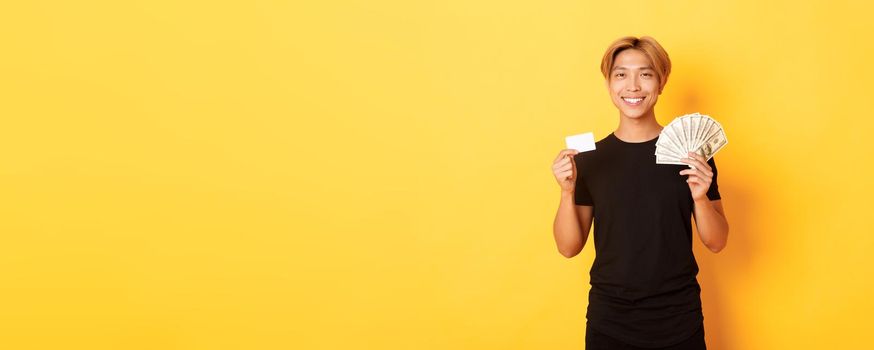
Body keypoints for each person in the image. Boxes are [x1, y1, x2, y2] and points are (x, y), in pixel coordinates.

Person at [550, 36, 729, 349]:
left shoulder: (692, 153)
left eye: (645, 74)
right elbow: (568, 247)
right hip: (610, 321)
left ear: (661, 83)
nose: (632, 86)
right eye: (621, 74)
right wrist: (566, 192)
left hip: (679, 318)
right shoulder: (589, 159)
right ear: (609, 84)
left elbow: (717, 241)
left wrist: (700, 198)